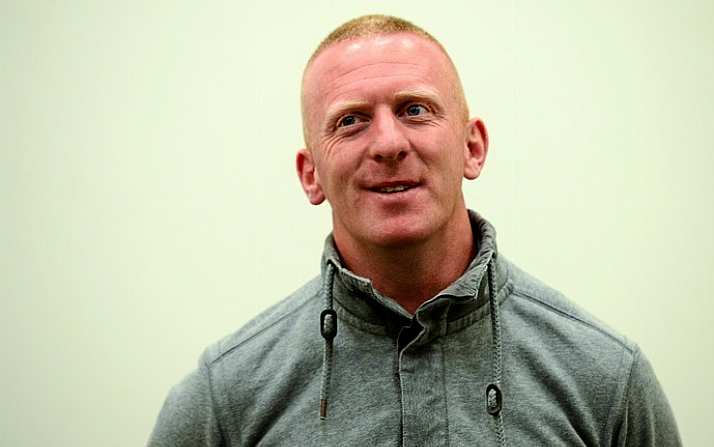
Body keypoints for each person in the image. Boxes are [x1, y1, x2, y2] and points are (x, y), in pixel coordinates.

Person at [149, 14, 681, 446]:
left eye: (415, 110)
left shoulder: (606, 378)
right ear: (311, 174)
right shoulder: (226, 398)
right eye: (350, 120)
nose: (387, 144)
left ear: (473, 147)